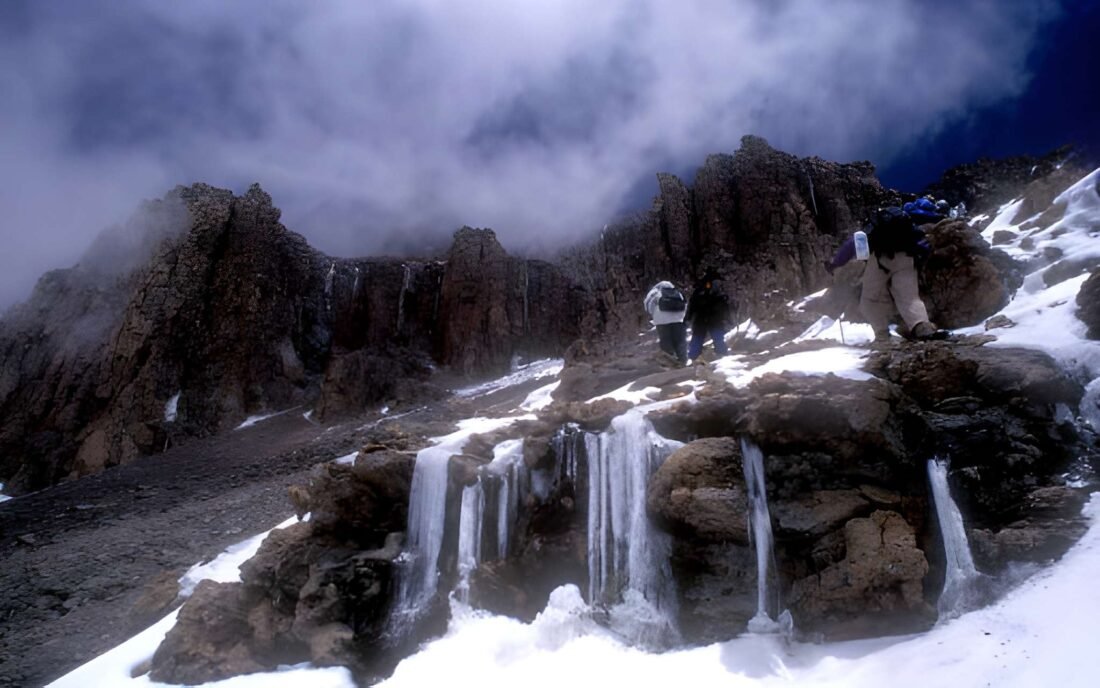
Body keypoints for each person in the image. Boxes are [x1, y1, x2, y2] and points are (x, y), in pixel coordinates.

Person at [825, 207, 940, 343]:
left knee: (869, 299)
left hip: (881, 260)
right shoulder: (904, 226)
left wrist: (835, 265)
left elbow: (850, 246)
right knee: (909, 298)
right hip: (907, 258)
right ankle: (922, 327)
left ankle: (882, 334)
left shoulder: (871, 229)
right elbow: (920, 242)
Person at [685, 269, 731, 361]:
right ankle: (723, 357)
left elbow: (692, 305)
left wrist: (688, 318)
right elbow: (725, 307)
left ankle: (692, 358)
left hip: (700, 319)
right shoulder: (719, 291)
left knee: (697, 339)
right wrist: (728, 319)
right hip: (715, 320)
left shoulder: (699, 290)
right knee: (718, 339)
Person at [644, 280, 688, 366]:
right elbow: (684, 304)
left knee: (666, 340)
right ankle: (683, 360)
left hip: (661, 321)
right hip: (678, 319)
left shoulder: (655, 292)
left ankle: (670, 362)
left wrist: (654, 314)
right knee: (680, 340)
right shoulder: (677, 292)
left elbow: (648, 305)